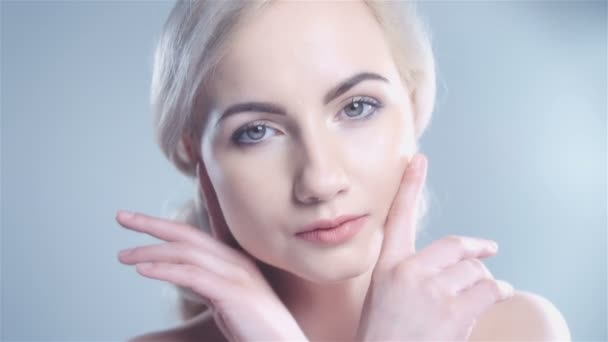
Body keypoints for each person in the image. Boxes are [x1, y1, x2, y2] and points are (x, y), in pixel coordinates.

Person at [116, 0, 572, 341]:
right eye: (256, 131)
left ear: (413, 105)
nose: (320, 180)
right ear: (195, 153)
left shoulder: (516, 330)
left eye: (357, 107)